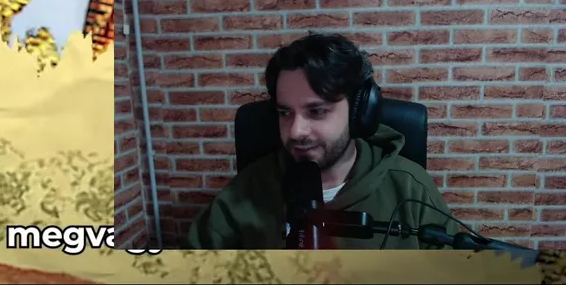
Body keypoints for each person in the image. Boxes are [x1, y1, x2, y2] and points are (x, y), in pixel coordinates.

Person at [186, 33, 459, 249]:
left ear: (359, 114)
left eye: (316, 111)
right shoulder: (246, 191)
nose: (296, 131)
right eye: (285, 113)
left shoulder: (411, 189)